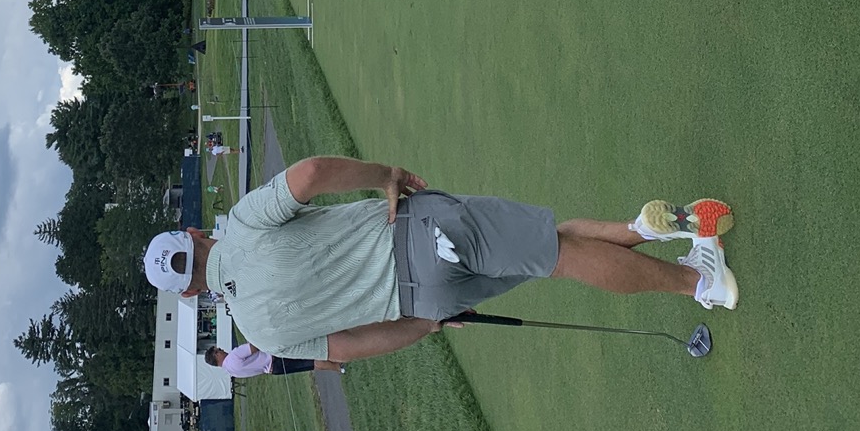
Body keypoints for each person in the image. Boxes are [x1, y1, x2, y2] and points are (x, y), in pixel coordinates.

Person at [142, 156, 737, 363]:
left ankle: (641, 228)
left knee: (544, 244)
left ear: (192, 295)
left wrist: (425, 324)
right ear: (195, 235)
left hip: (425, 300)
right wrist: (387, 176)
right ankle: (699, 283)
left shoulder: (261, 335)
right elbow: (313, 175)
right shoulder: (241, 224)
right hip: (421, 230)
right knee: (554, 255)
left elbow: (349, 347)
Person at [206, 342, 343, 376]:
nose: (222, 350)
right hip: (274, 357)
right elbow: (254, 346)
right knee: (308, 357)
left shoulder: (230, 372)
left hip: (273, 369)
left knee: (310, 365)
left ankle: (337, 367)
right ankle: (338, 361)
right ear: (216, 355)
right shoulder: (233, 355)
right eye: (219, 350)